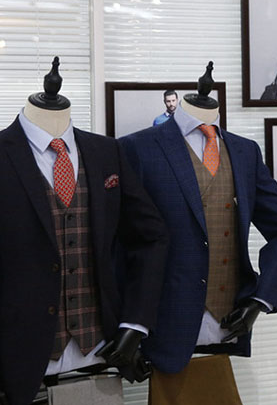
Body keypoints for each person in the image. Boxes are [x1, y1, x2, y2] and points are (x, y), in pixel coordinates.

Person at [0, 62, 169, 405]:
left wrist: (135, 324)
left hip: (100, 357)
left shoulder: (106, 152)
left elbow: (152, 236)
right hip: (17, 366)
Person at [119, 77, 277, 383]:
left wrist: (261, 299)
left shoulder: (245, 152)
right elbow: (122, 243)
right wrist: (129, 326)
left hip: (228, 320)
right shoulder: (136, 148)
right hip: (164, 323)